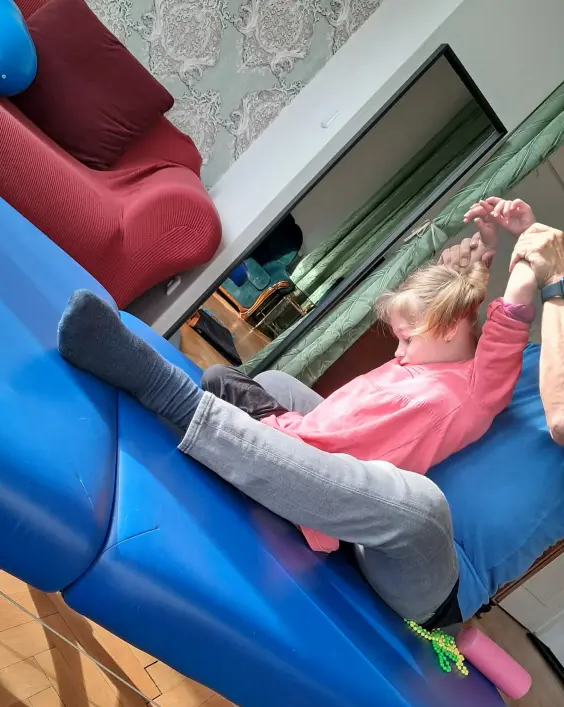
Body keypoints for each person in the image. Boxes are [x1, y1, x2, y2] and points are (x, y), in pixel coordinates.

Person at [56, 203, 537, 629]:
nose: (398, 351)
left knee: (418, 500)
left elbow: (506, 329)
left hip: (343, 496)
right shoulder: (425, 356)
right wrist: (480, 259)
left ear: (448, 328)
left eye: (406, 339)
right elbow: (447, 307)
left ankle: (160, 387)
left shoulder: (473, 393)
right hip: (310, 443)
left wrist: (528, 256)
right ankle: (248, 451)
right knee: (243, 379)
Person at [464, 197, 564, 445]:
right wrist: (532, 242)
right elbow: (475, 369)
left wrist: (555, 279)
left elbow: (561, 421)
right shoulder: (532, 354)